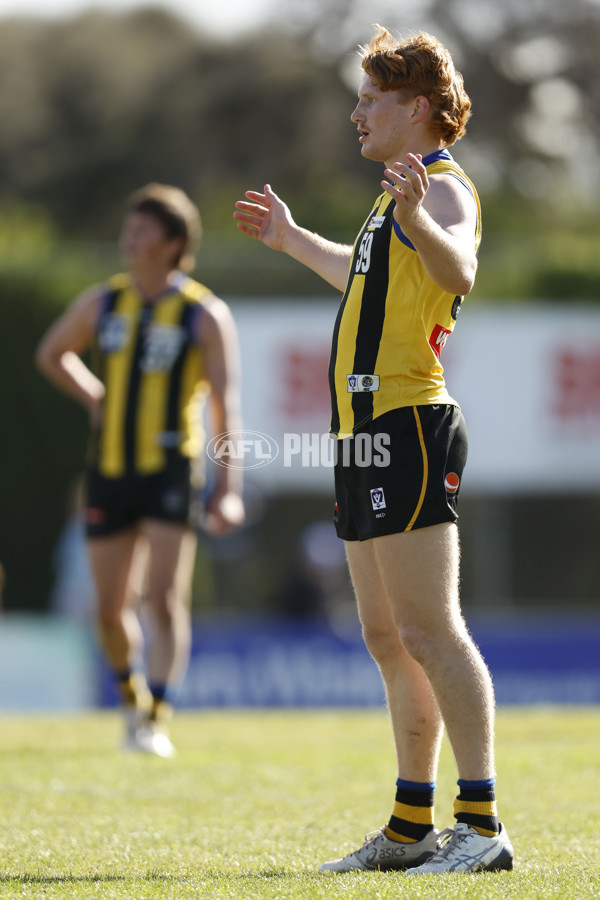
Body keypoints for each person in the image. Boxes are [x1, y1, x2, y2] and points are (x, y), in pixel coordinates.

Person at [234, 26, 513, 875]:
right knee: (387, 636)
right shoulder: (394, 194)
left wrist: (417, 212)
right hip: (359, 435)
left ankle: (483, 824)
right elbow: (366, 280)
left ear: (416, 107)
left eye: (370, 99)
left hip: (407, 426)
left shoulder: (442, 187)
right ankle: (408, 827)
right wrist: (292, 240)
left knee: (432, 630)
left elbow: (459, 268)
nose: (356, 113)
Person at [37, 183, 244, 757]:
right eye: (129, 228)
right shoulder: (105, 302)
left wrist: (229, 488)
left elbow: (227, 407)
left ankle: (156, 714)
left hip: (170, 470)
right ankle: (131, 702)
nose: (129, 238)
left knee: (164, 597)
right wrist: (98, 397)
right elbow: (53, 351)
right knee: (108, 608)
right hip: (109, 468)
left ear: (174, 243)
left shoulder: (203, 312)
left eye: (143, 230)